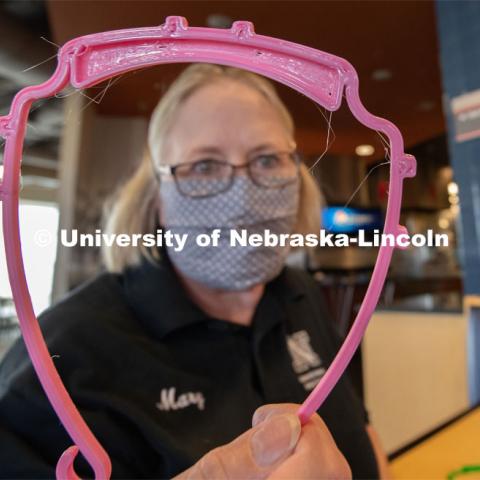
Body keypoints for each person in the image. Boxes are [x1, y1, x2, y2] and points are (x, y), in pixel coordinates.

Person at [0, 64, 389, 479]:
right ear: (156, 196)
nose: (243, 195)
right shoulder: (63, 356)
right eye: (204, 166)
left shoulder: (302, 294)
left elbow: (365, 437)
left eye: (267, 159)